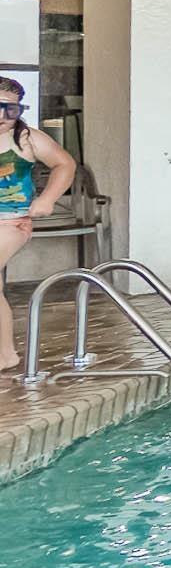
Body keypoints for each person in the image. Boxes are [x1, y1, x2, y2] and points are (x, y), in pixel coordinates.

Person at [0, 76, 76, 373]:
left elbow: (65, 164)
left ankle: (5, 355)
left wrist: (47, 199)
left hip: (12, 223)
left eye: (11, 109)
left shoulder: (27, 138)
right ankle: (5, 354)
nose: (4, 116)